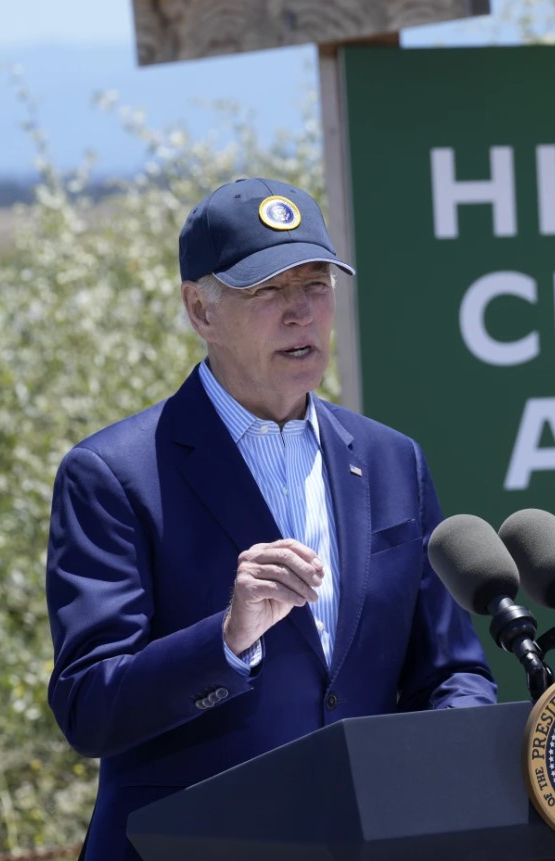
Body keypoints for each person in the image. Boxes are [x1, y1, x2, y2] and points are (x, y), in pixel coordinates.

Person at [45, 177, 496, 860]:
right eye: (266, 291)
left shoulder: (391, 459)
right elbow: (88, 708)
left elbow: (452, 670)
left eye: (315, 284)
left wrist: (438, 765)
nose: (300, 313)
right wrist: (227, 639)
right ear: (200, 309)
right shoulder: (113, 473)